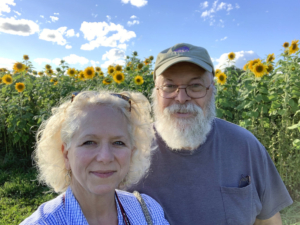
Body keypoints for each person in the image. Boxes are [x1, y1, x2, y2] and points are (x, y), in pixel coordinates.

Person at [128, 43, 293, 225]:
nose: (181, 98)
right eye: (169, 86)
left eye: (195, 86)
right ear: (156, 92)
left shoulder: (245, 146)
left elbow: (267, 220)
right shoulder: (129, 150)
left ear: (212, 89)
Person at [21, 91, 169, 225]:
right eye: (89, 142)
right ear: (66, 155)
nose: (105, 157)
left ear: (132, 153)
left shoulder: (147, 211)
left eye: (118, 143)